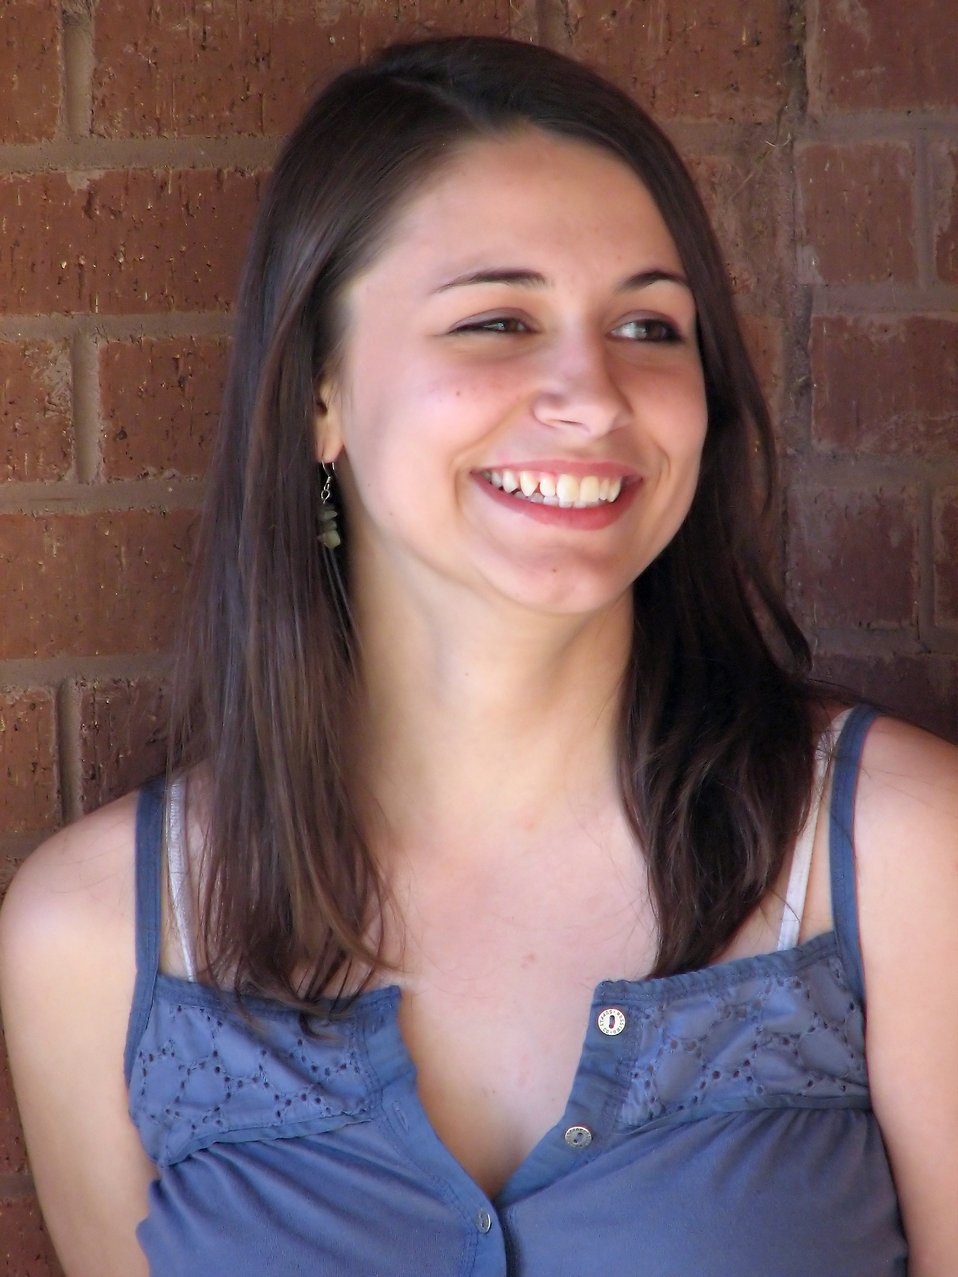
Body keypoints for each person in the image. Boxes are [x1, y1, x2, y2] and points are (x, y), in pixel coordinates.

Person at [0, 35, 955, 1277]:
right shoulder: (95, 941)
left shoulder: (900, 856)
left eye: (649, 326)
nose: (593, 392)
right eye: (499, 318)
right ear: (319, 396)